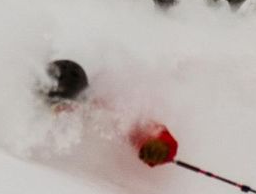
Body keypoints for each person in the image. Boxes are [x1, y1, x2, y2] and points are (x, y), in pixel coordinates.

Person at [42, 59, 178, 167]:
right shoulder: (30, 108)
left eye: (65, 104)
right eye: (56, 105)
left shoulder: (99, 108)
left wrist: (161, 146)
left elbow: (139, 126)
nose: (61, 110)